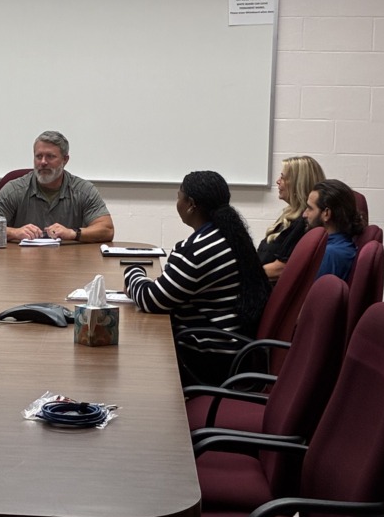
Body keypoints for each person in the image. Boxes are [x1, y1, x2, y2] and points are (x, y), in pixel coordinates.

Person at [124, 170, 272, 385]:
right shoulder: (229, 235)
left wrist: (133, 272)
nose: (177, 203)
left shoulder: (198, 249)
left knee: (139, 351)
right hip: (233, 349)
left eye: (178, 197)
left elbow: (152, 300)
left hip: (210, 357)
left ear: (191, 204)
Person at [0, 130, 114, 244]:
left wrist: (73, 233)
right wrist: (15, 232)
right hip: (20, 265)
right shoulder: (15, 189)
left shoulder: (83, 191)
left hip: (68, 265)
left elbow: (106, 229)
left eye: (50, 156)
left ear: (65, 160)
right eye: (39, 156)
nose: (43, 162)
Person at [257, 155, 326, 281]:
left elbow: (281, 268)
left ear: (298, 184)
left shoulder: (303, 222)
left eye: (283, 177)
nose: (278, 181)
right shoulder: (290, 215)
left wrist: (243, 275)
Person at [303, 178, 364, 282]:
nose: (304, 214)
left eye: (310, 208)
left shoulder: (329, 254)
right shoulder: (338, 246)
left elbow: (314, 297)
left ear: (326, 214)